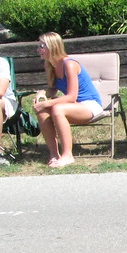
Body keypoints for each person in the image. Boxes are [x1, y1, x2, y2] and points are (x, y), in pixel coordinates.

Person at [32, 31, 105, 168]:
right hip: (73, 106)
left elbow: (72, 96)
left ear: (52, 47)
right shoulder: (50, 65)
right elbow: (52, 89)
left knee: (56, 108)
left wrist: (48, 103)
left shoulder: (69, 64)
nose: (38, 50)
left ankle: (67, 155)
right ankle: (54, 154)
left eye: (41, 46)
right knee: (42, 111)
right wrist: (42, 94)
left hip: (90, 105)